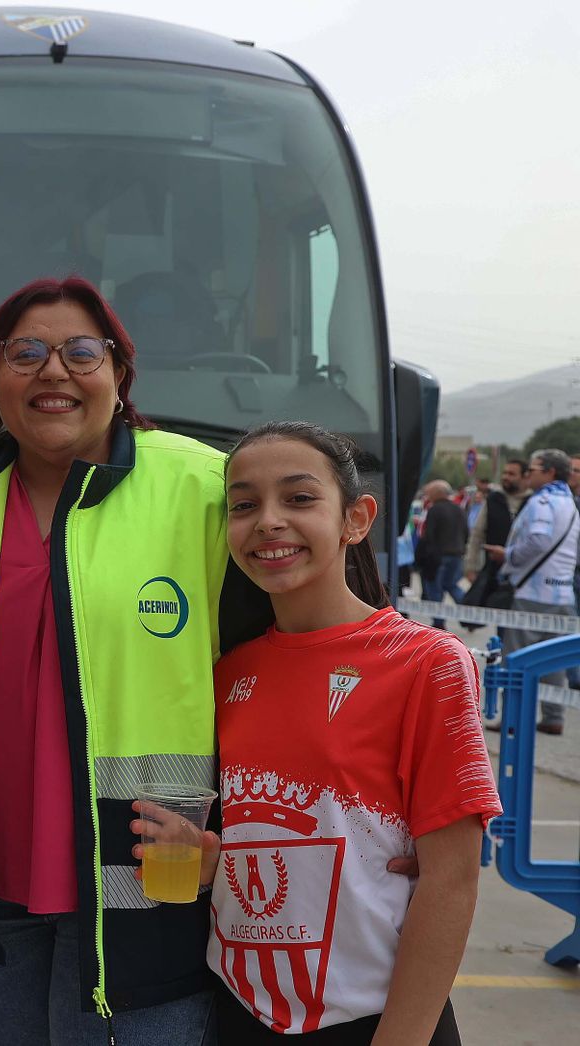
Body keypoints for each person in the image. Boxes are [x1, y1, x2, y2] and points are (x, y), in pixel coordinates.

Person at [0, 276, 270, 1045]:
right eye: (26, 354)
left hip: (144, 884)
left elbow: (284, 666)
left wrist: (246, 840)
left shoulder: (205, 486)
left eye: (83, 351)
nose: (54, 371)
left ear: (120, 374)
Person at [179, 421, 500, 1043]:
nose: (268, 521)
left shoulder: (428, 663)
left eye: (299, 498)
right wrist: (215, 861)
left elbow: (451, 879)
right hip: (239, 1011)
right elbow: (298, 839)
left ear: (356, 519)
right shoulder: (226, 672)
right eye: (244, 505)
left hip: (373, 1021)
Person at [486, 448, 579, 735]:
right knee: (553, 662)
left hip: (533, 592)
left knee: (516, 658)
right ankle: (553, 717)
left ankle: (512, 718)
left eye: (534, 469)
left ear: (550, 472)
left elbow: (538, 540)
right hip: (563, 593)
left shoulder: (543, 501)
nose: (529, 474)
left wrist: (509, 556)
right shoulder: (570, 503)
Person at [415, 479, 468, 628]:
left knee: (434, 589)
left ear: (438, 493)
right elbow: (466, 532)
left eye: (429, 493)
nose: (427, 496)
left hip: (438, 557)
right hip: (457, 555)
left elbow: (429, 536)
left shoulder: (435, 510)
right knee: (452, 585)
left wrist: (424, 556)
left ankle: (439, 622)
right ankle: (470, 616)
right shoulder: (459, 509)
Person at [464, 459, 527, 585]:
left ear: (524, 476)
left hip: (523, 572)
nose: (506, 477)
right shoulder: (493, 500)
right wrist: (470, 567)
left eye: (511, 474)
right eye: (505, 473)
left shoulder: (532, 501)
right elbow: (477, 534)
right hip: (493, 571)